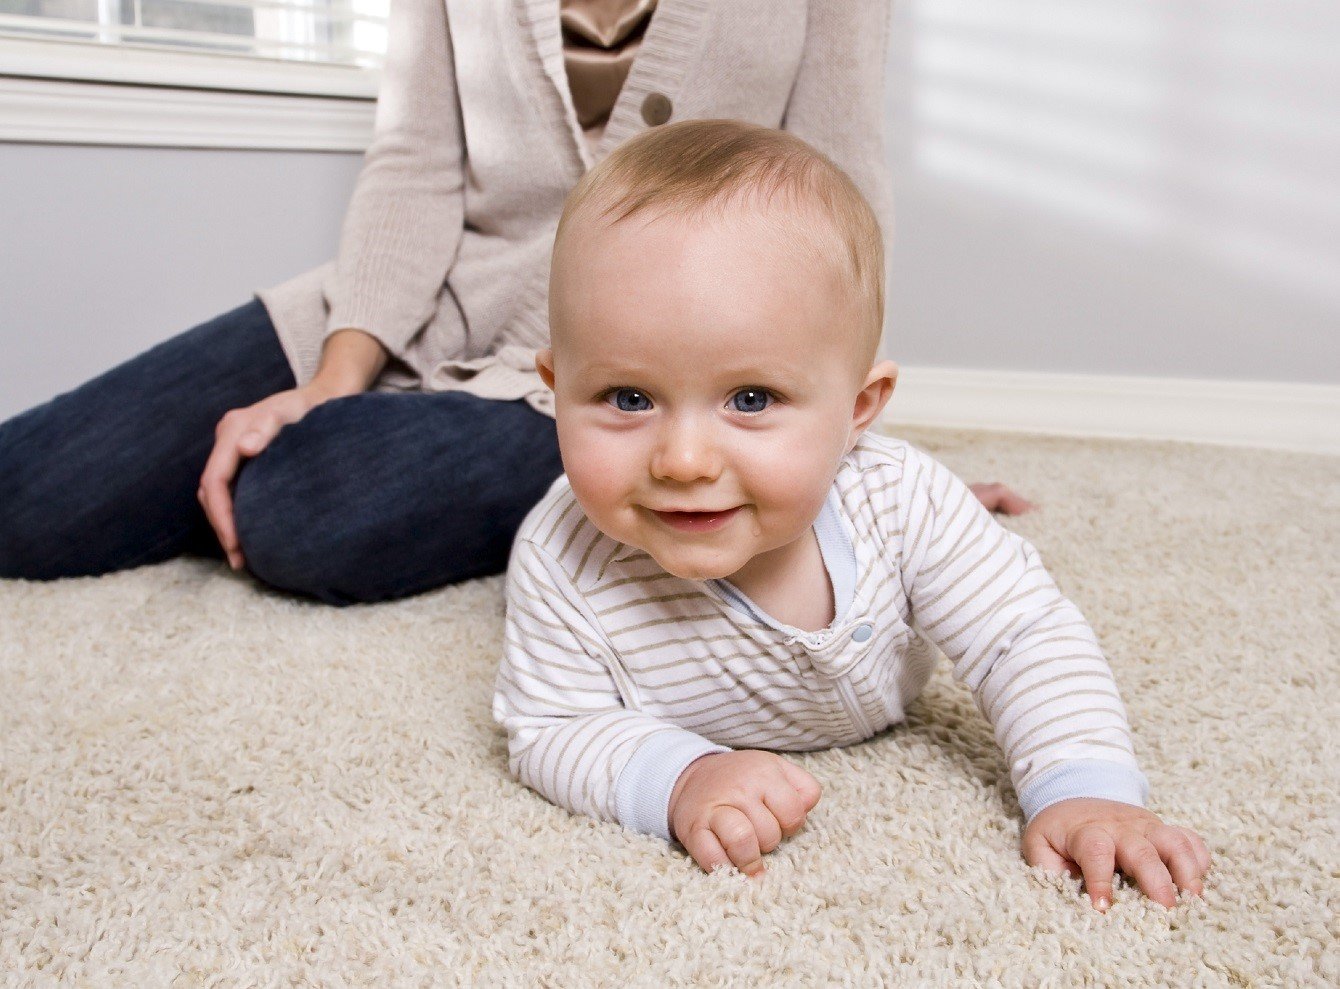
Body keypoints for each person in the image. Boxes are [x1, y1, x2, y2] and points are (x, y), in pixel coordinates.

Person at [0, 0, 1027, 603]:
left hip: (619, 381)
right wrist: (328, 378)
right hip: (419, 300)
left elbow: (838, 185)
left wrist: (836, 453)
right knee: (29, 495)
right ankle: (344, 420)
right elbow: (413, 166)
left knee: (299, 507)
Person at [492, 119, 1211, 911]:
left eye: (752, 399)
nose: (684, 460)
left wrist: (1086, 785)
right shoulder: (562, 557)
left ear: (857, 408)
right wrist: (679, 774)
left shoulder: (900, 499)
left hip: (888, 518)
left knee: (956, 545)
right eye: (628, 398)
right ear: (557, 390)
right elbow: (551, 725)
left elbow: (1022, 634)